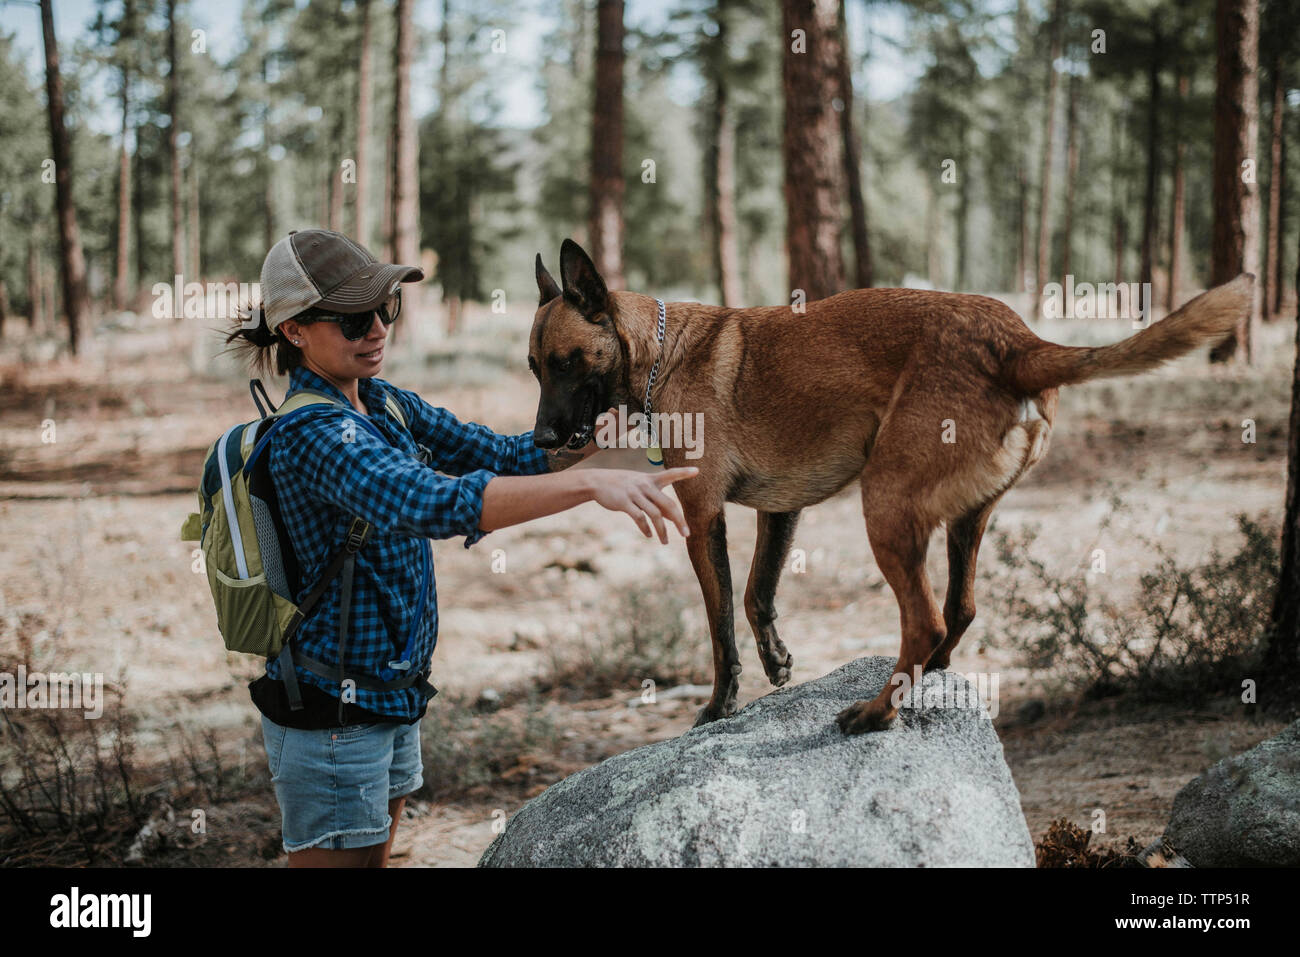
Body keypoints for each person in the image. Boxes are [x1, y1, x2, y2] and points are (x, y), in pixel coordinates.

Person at [224, 228, 696, 867]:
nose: (376, 329)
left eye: (384, 308)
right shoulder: (314, 435)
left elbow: (498, 454)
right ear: (294, 331)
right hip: (333, 718)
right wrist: (592, 484)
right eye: (352, 317)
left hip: (392, 697)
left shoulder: (384, 405)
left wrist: (588, 443)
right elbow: (428, 501)